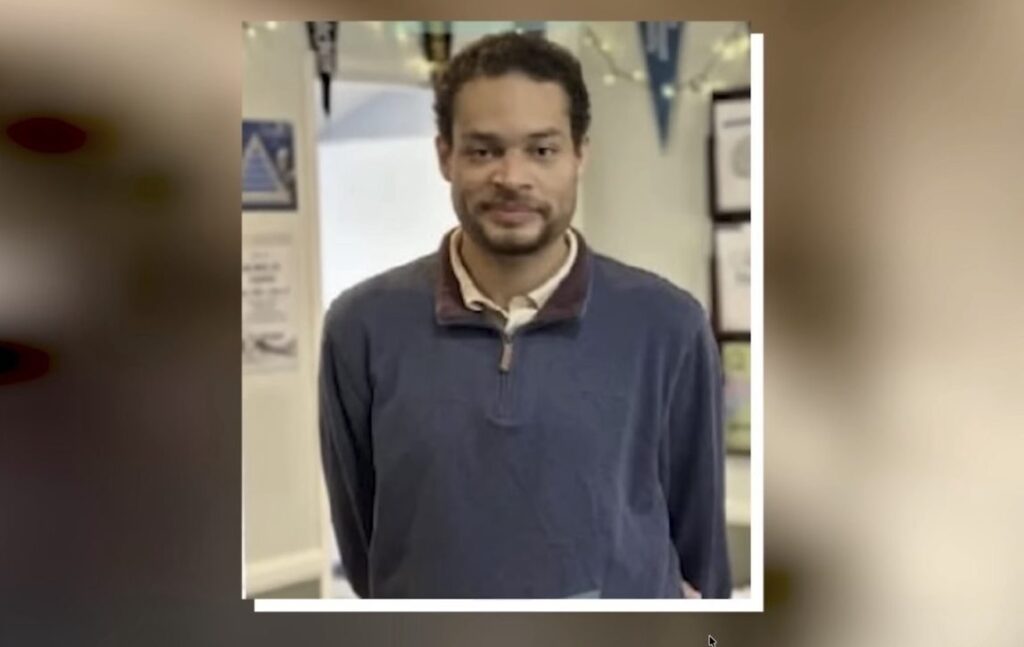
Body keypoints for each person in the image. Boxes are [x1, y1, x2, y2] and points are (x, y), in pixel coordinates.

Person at [319, 31, 731, 599]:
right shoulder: (360, 328)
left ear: (580, 154)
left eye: (542, 150)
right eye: (483, 151)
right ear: (444, 156)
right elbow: (368, 548)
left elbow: (701, 553)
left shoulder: (668, 326)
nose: (512, 177)